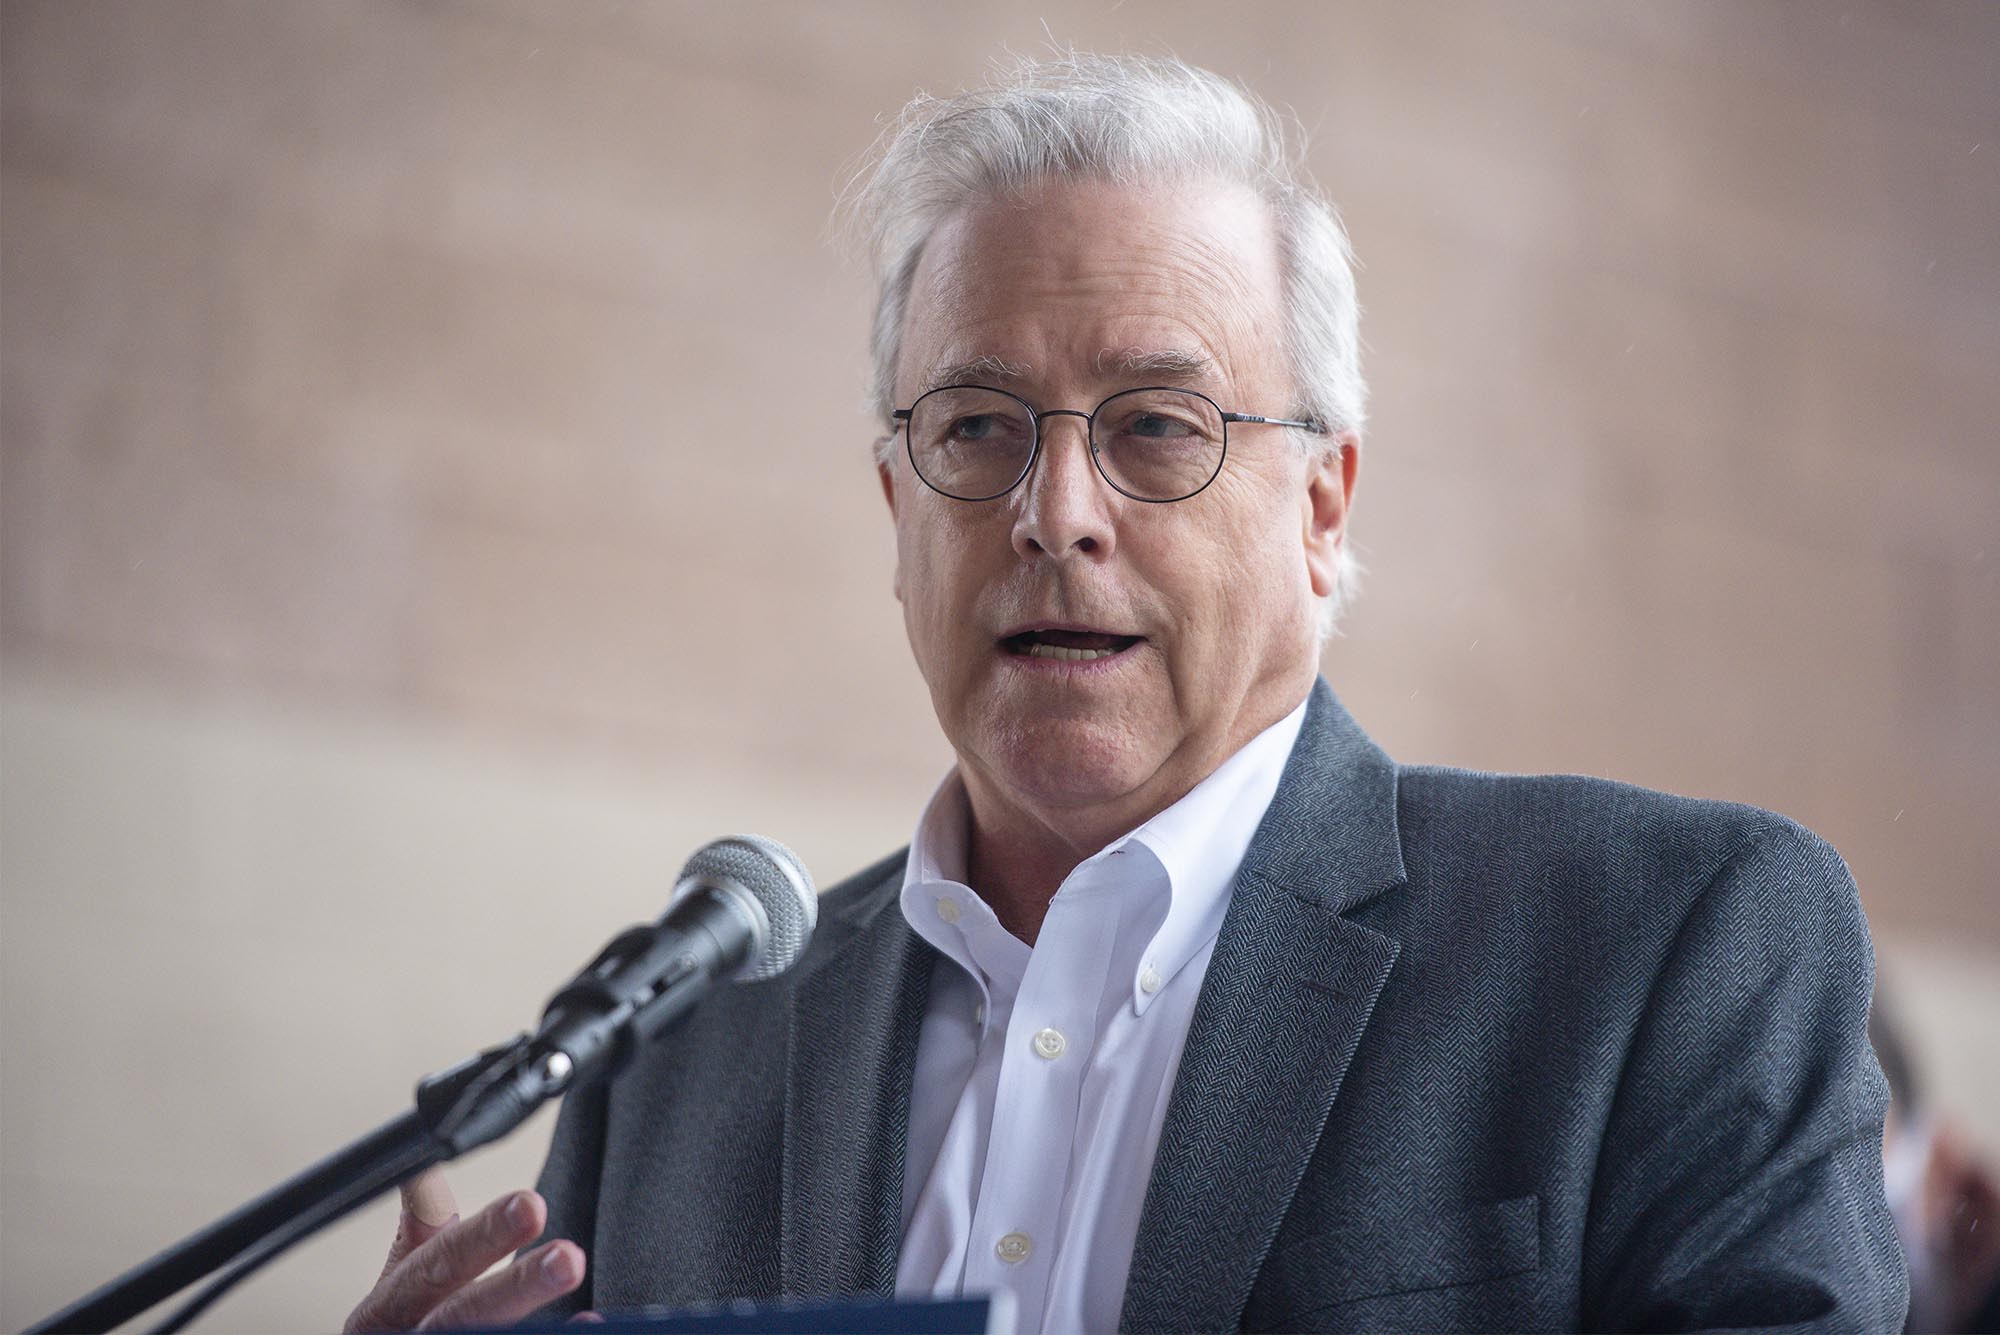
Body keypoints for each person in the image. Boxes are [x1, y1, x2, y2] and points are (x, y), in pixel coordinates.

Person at [344, 53, 1905, 1333]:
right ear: (899, 515)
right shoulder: (684, 1066)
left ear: (1322, 508)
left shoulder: (1665, 946)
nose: (1056, 511)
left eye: (1159, 427)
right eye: (975, 431)